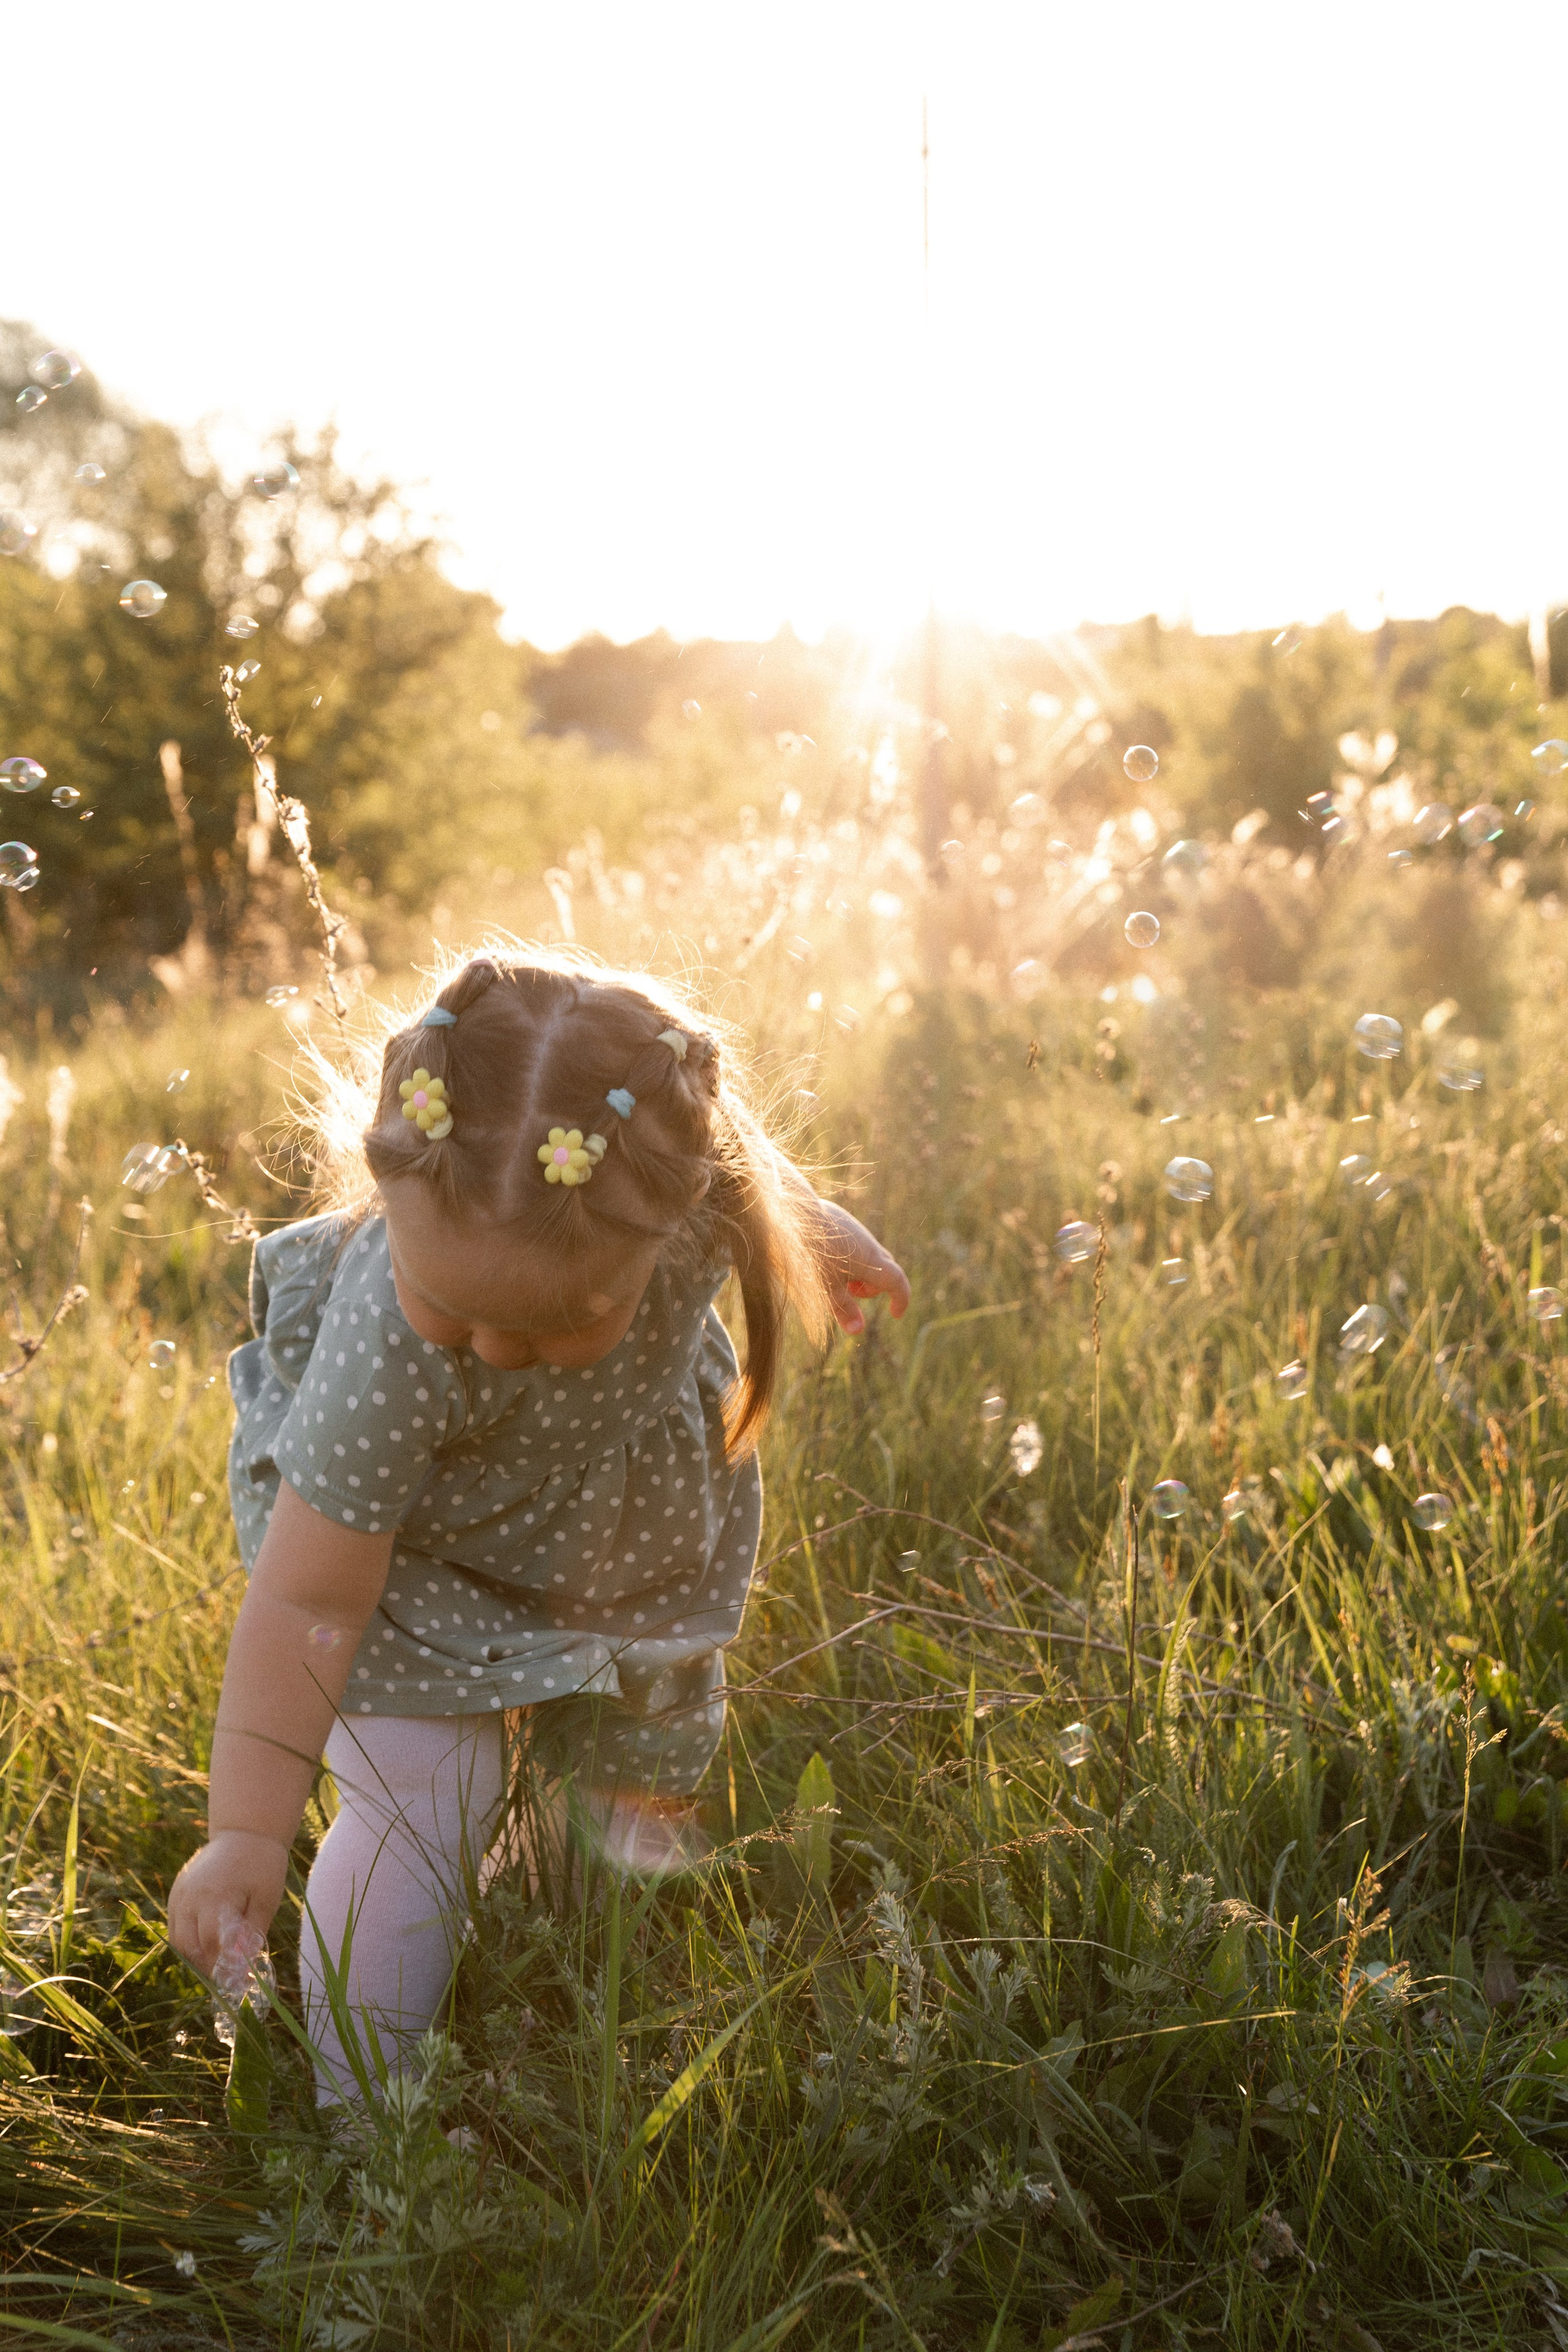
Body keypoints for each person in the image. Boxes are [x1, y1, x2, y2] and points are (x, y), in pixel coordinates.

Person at [167, 948, 910, 2100]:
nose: (498, 1349)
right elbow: (310, 1603)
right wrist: (248, 1832)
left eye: (560, 1320)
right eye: (453, 1307)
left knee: (602, 1793)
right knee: (426, 1797)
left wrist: (809, 1227)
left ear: (664, 1228)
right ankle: (368, 2116)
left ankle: (525, 1945)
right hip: (396, 1558)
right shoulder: (393, 1353)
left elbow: (736, 1165)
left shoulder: (663, 1187)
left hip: (596, 1536)